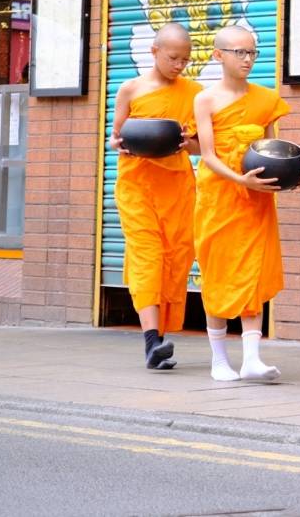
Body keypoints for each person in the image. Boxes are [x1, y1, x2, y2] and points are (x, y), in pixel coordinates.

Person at [193, 25, 296, 383]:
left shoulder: (266, 100)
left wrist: (291, 174)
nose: (247, 59)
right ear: (218, 55)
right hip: (218, 198)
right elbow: (207, 155)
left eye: (252, 52)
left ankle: (252, 358)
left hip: (255, 201)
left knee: (253, 273)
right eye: (240, 52)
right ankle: (219, 360)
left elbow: (272, 150)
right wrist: (238, 179)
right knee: (219, 275)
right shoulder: (205, 100)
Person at [111, 22, 202, 370]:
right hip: (137, 184)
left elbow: (199, 144)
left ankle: (161, 338)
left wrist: (184, 141)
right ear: (154, 52)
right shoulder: (130, 90)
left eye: (185, 60)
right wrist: (124, 144)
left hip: (177, 183)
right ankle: (151, 340)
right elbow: (116, 138)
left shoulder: (194, 92)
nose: (179, 65)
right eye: (173, 58)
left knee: (176, 258)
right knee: (147, 255)